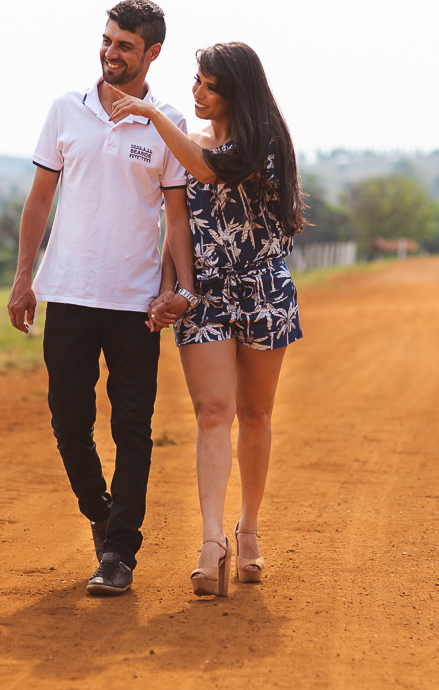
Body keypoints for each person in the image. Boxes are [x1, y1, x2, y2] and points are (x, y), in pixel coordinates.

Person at [7, 0, 195, 596]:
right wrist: (23, 278)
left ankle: (119, 553)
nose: (111, 53)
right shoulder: (67, 110)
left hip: (136, 304)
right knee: (69, 419)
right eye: (108, 40)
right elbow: (39, 200)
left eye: (125, 46)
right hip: (67, 292)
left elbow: (177, 219)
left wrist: (173, 291)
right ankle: (101, 511)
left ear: (152, 53)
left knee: (133, 428)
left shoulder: (166, 123)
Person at [109, 41, 306, 597]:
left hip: (264, 288)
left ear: (234, 93)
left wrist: (150, 113)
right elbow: (175, 223)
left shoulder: (264, 142)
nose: (195, 91)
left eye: (208, 84)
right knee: (212, 411)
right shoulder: (185, 144)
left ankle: (249, 530)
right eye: (194, 80)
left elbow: (211, 171)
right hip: (207, 296)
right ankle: (211, 539)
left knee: (256, 412)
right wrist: (172, 290)